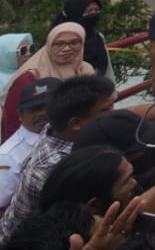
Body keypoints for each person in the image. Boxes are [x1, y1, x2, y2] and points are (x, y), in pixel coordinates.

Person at [0, 74, 116, 245]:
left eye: (46, 107)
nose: (42, 114)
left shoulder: (54, 129)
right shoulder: (51, 167)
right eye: (106, 111)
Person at [1, 23, 94, 142]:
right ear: (49, 45)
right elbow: (13, 120)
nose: (67, 48)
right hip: (39, 142)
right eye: (59, 44)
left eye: (74, 42)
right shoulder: (31, 76)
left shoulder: (86, 70)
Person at [0, 78, 55, 212]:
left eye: (49, 107)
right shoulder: (8, 155)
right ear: (20, 115)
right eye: (35, 109)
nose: (42, 113)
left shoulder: (67, 136)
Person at [50, 0, 112, 80]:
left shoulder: (97, 38)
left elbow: (106, 71)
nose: (94, 14)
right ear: (75, 13)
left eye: (97, 10)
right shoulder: (57, 41)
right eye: (88, 11)